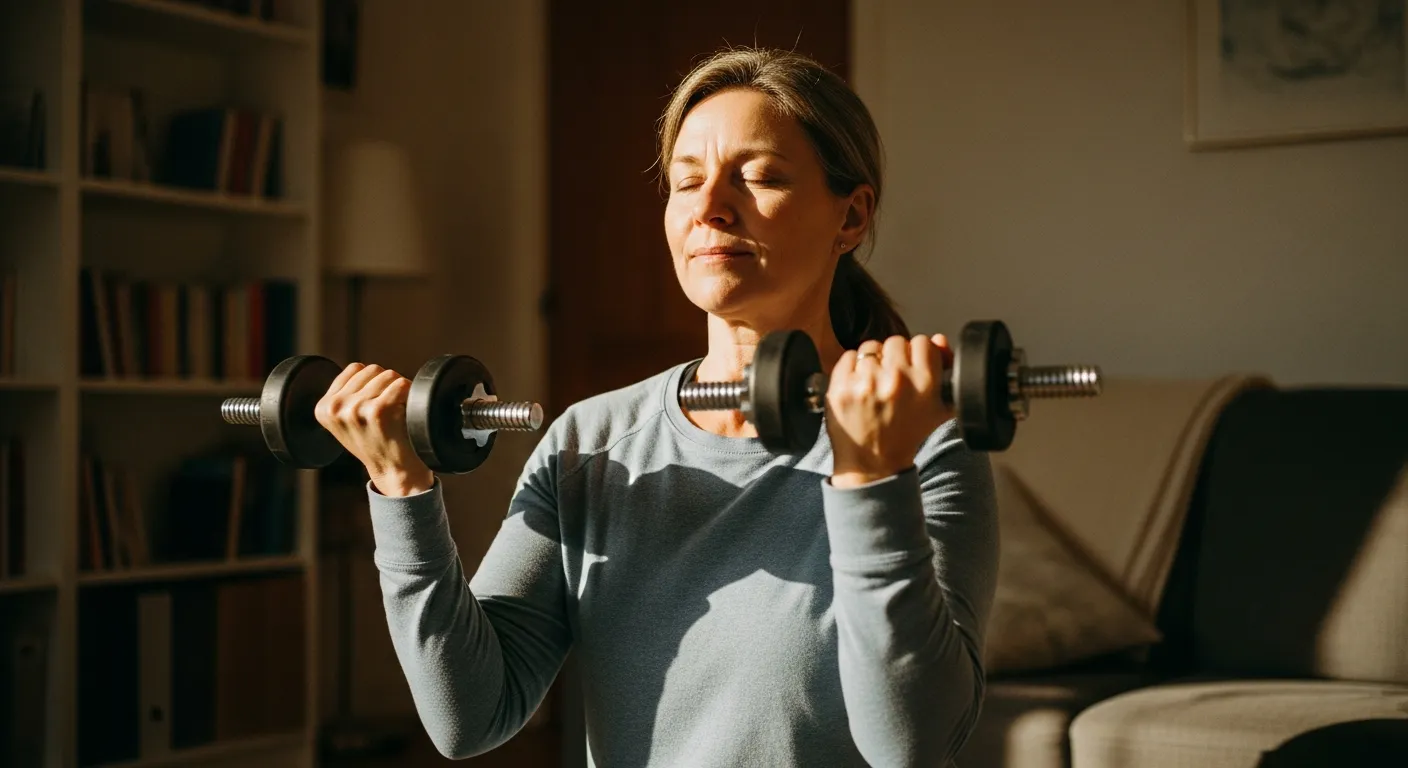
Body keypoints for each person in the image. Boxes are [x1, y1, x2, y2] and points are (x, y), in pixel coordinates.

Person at [315, 46, 998, 768]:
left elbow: (911, 743)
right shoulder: (591, 442)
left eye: (759, 176)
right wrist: (401, 487)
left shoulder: (925, 443)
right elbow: (470, 716)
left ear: (851, 217)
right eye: (686, 181)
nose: (710, 208)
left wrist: (871, 478)